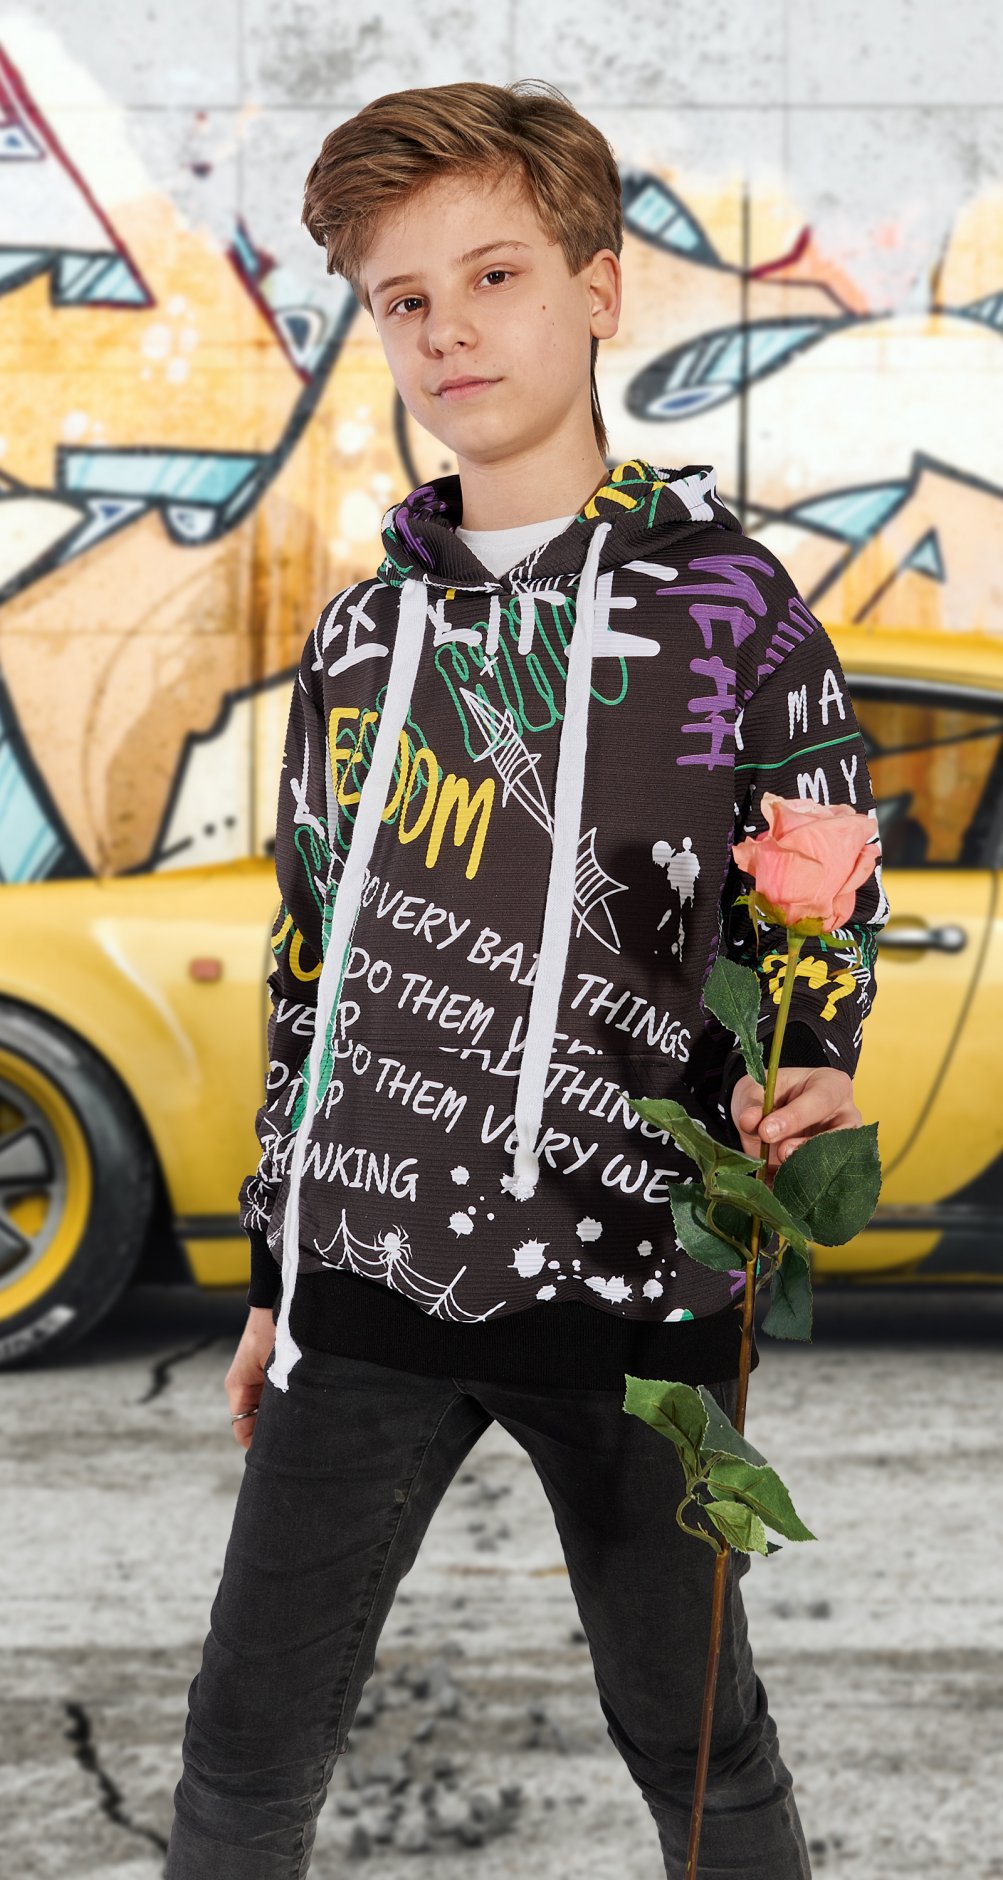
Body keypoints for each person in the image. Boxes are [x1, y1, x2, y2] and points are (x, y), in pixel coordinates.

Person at [165, 77, 888, 1879]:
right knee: (243, 1757)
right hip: (368, 1275)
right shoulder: (360, 635)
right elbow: (313, 968)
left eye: (493, 276)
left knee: (696, 1742)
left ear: (598, 288)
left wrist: (817, 1059)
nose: (449, 330)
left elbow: (819, 895)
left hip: (642, 1290)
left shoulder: (735, 613)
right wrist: (274, 1279)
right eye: (403, 299)